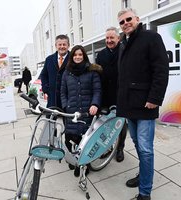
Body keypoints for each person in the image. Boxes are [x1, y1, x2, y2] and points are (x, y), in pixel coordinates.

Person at [117, 8, 169, 200]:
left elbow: (161, 70)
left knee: (145, 148)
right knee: (138, 145)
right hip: (129, 105)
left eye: (128, 19)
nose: (125, 23)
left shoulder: (150, 37)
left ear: (137, 19)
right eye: (121, 22)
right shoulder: (124, 42)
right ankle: (143, 175)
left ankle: (145, 192)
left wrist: (155, 98)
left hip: (146, 104)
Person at [60, 45, 102, 177]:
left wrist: (95, 104)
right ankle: (75, 161)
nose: (78, 57)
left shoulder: (92, 71)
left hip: (87, 112)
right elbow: (63, 92)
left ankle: (84, 164)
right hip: (72, 112)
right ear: (72, 57)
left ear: (84, 56)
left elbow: (97, 90)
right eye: (75, 55)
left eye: (80, 55)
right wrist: (66, 105)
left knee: (85, 141)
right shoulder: (67, 72)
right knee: (71, 138)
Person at [96, 27, 128, 163]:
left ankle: (120, 148)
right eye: (107, 38)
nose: (109, 41)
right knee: (106, 124)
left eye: (112, 38)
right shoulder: (101, 54)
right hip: (105, 96)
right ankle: (108, 148)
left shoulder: (125, 50)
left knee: (121, 124)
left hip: (121, 94)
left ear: (118, 38)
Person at [40, 34, 70, 108]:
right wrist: (46, 89)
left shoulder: (73, 59)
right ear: (56, 46)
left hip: (69, 99)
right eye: (59, 44)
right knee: (50, 119)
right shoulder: (49, 59)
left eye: (64, 44)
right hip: (52, 99)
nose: (62, 46)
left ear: (68, 45)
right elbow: (43, 75)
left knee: (68, 119)